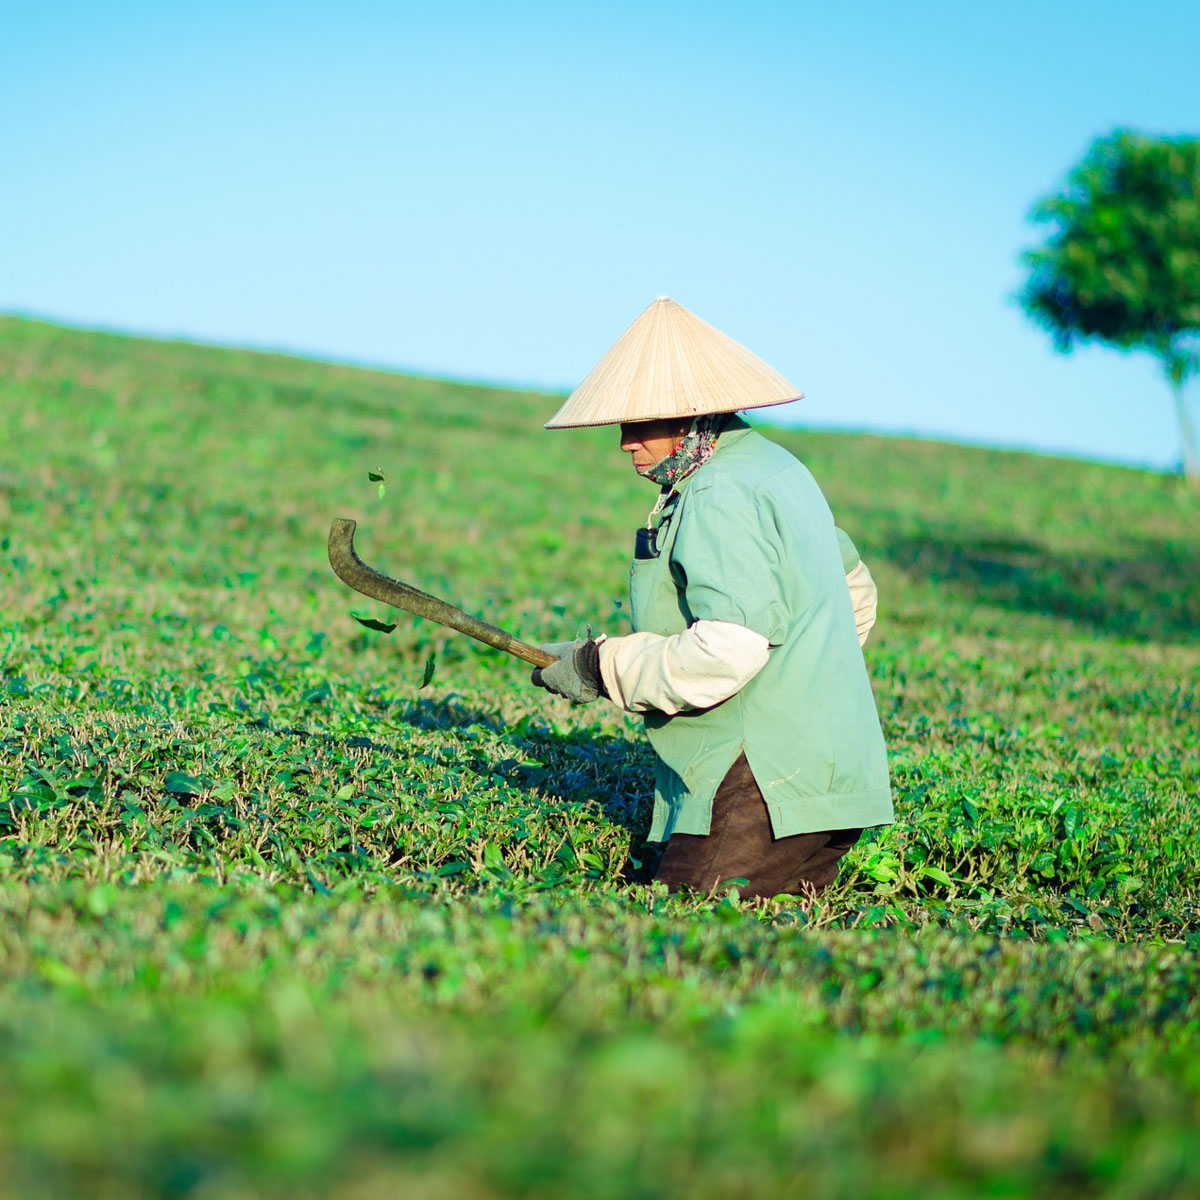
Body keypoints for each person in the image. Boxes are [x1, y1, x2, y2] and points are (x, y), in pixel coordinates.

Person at [532, 297, 893, 899]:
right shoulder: (777, 470)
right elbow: (853, 592)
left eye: (640, 422)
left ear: (687, 415)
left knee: (681, 944)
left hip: (760, 786)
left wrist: (600, 666)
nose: (625, 442)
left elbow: (728, 647)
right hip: (824, 775)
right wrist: (802, 689)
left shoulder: (717, 492)